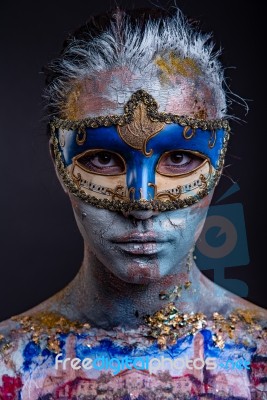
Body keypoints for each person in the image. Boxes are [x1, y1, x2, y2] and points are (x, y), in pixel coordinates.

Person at [0, 7, 266, 400]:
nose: (141, 205)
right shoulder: (11, 365)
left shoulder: (257, 357)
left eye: (178, 158)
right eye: (103, 159)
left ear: (219, 161)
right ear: (60, 162)